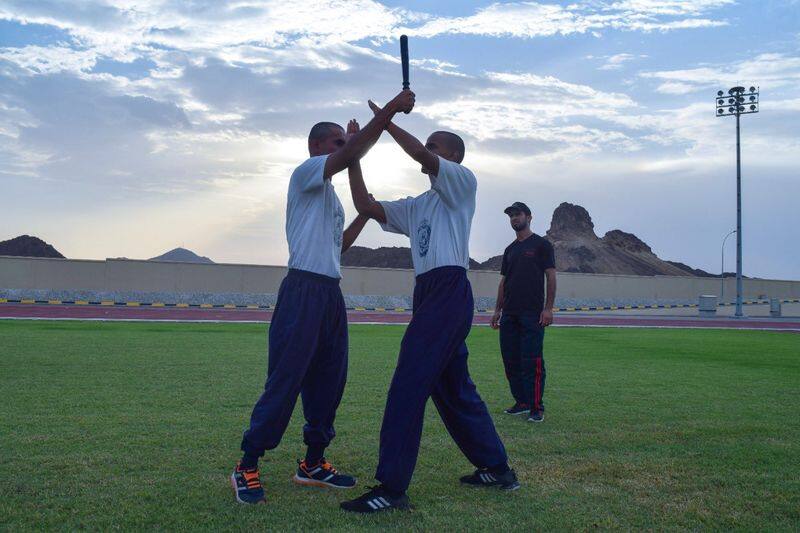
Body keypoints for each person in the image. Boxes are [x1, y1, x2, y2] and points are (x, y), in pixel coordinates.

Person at [231, 89, 416, 505]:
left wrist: (364, 218)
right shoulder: (306, 173)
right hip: (302, 290)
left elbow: (338, 248)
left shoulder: (329, 198)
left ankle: (313, 462)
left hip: (330, 292)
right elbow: (351, 155)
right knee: (285, 380)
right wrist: (387, 112)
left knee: (328, 383)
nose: (343, 146)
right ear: (318, 146)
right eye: (337, 142)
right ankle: (247, 463)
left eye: (343, 142)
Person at [339, 100, 519, 514]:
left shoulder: (461, 184)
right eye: (431, 145)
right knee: (454, 388)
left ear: (453, 157)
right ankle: (497, 468)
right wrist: (353, 151)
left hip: (449, 289)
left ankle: (391, 487)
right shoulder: (419, 204)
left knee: (408, 384)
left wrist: (383, 120)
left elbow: (419, 153)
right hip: (429, 293)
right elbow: (365, 204)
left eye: (438, 146)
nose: (430, 150)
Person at [490, 201, 557, 423]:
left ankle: (536, 407)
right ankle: (521, 402)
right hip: (509, 314)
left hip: (532, 314)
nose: (514, 218)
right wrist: (497, 310)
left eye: (517, 214)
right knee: (511, 360)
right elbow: (503, 283)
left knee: (532, 361)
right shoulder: (510, 250)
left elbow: (551, 276)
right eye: (511, 216)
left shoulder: (541, 245)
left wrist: (548, 308)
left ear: (529, 217)